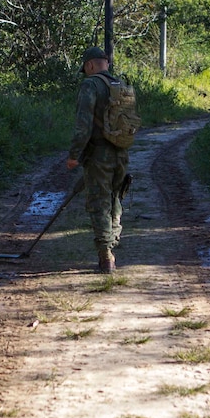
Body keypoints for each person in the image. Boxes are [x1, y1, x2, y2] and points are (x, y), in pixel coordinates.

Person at [66, 46, 129, 273]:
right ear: (107, 63)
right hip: (121, 153)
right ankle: (112, 244)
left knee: (98, 203)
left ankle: (106, 257)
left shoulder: (89, 85)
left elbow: (83, 125)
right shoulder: (120, 85)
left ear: (90, 65)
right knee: (114, 199)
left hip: (99, 155)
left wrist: (74, 155)